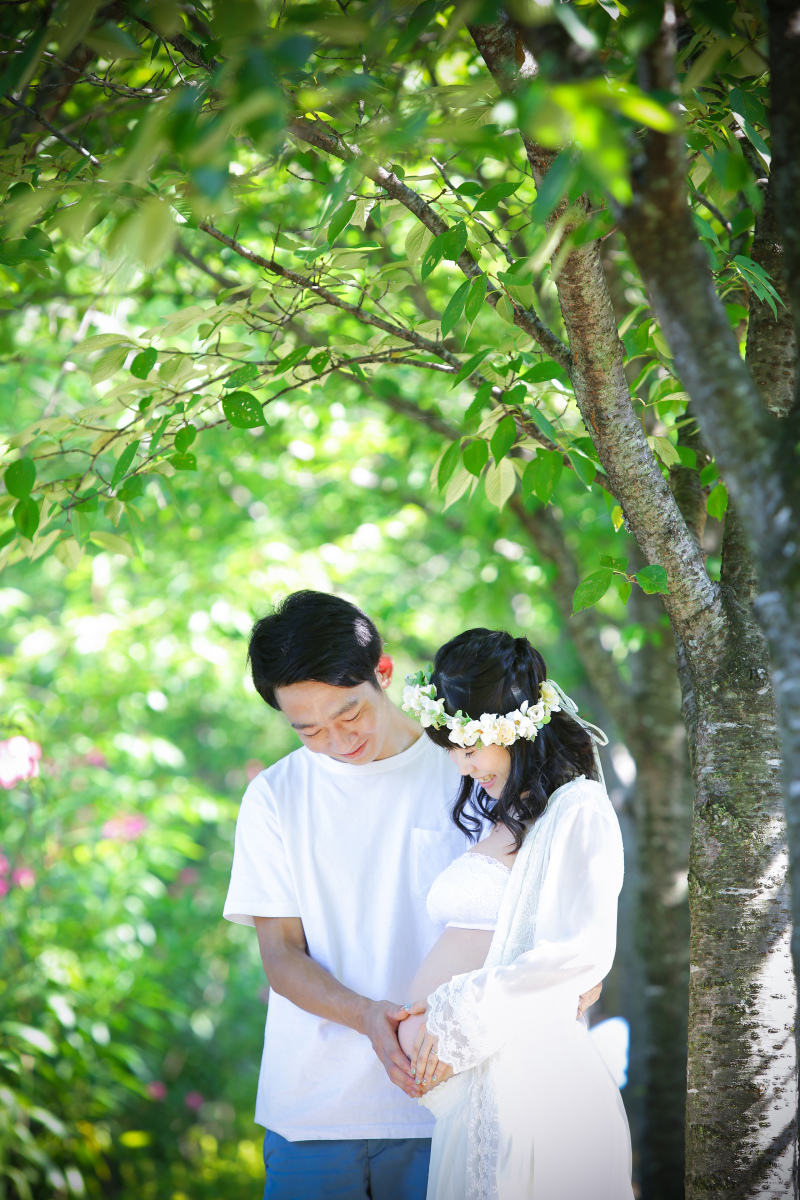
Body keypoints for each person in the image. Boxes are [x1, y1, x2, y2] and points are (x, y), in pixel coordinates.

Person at [223, 592, 601, 1199]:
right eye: (309, 729)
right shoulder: (275, 797)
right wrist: (369, 1017)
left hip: (453, 1101)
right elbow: (282, 956)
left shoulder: (473, 766)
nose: (337, 740)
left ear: (385, 673)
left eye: (350, 715)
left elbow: (545, 916)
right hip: (313, 1111)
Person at [397, 629, 633, 1200]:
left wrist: (452, 1015)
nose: (461, 765)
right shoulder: (513, 815)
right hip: (479, 1098)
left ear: (512, 728)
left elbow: (579, 950)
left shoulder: (578, 807)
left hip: (534, 1092)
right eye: (451, 747)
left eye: (469, 744)